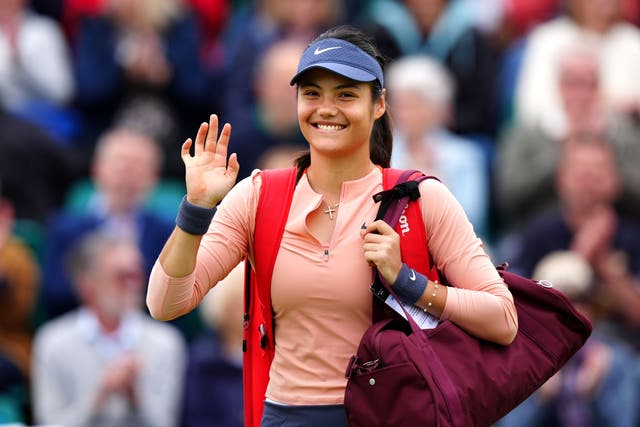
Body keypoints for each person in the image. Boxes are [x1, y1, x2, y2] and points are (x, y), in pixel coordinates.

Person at [147, 25, 518, 427]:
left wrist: (409, 283)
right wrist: (196, 211)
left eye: (346, 94)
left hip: (391, 416)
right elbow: (166, 304)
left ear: (378, 104)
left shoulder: (421, 199)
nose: (326, 108)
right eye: (312, 94)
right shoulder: (257, 196)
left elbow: (502, 319)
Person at [32, 231, 186, 427]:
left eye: (136, 275)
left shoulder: (165, 343)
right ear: (87, 284)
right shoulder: (53, 343)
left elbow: (165, 423)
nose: (133, 285)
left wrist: (134, 398)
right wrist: (99, 397)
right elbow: (49, 422)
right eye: (121, 276)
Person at [42, 126, 174, 320]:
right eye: (121, 163)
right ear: (97, 169)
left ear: (154, 177)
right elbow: (53, 292)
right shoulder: (65, 229)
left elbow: (174, 297)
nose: (128, 174)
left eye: (138, 166)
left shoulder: (167, 233)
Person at [386, 54, 490, 240]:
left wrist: (436, 179)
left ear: (436, 107)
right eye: (399, 105)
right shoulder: (382, 152)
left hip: (452, 243)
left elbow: (475, 218)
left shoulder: (465, 156)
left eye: (413, 105)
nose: (404, 114)